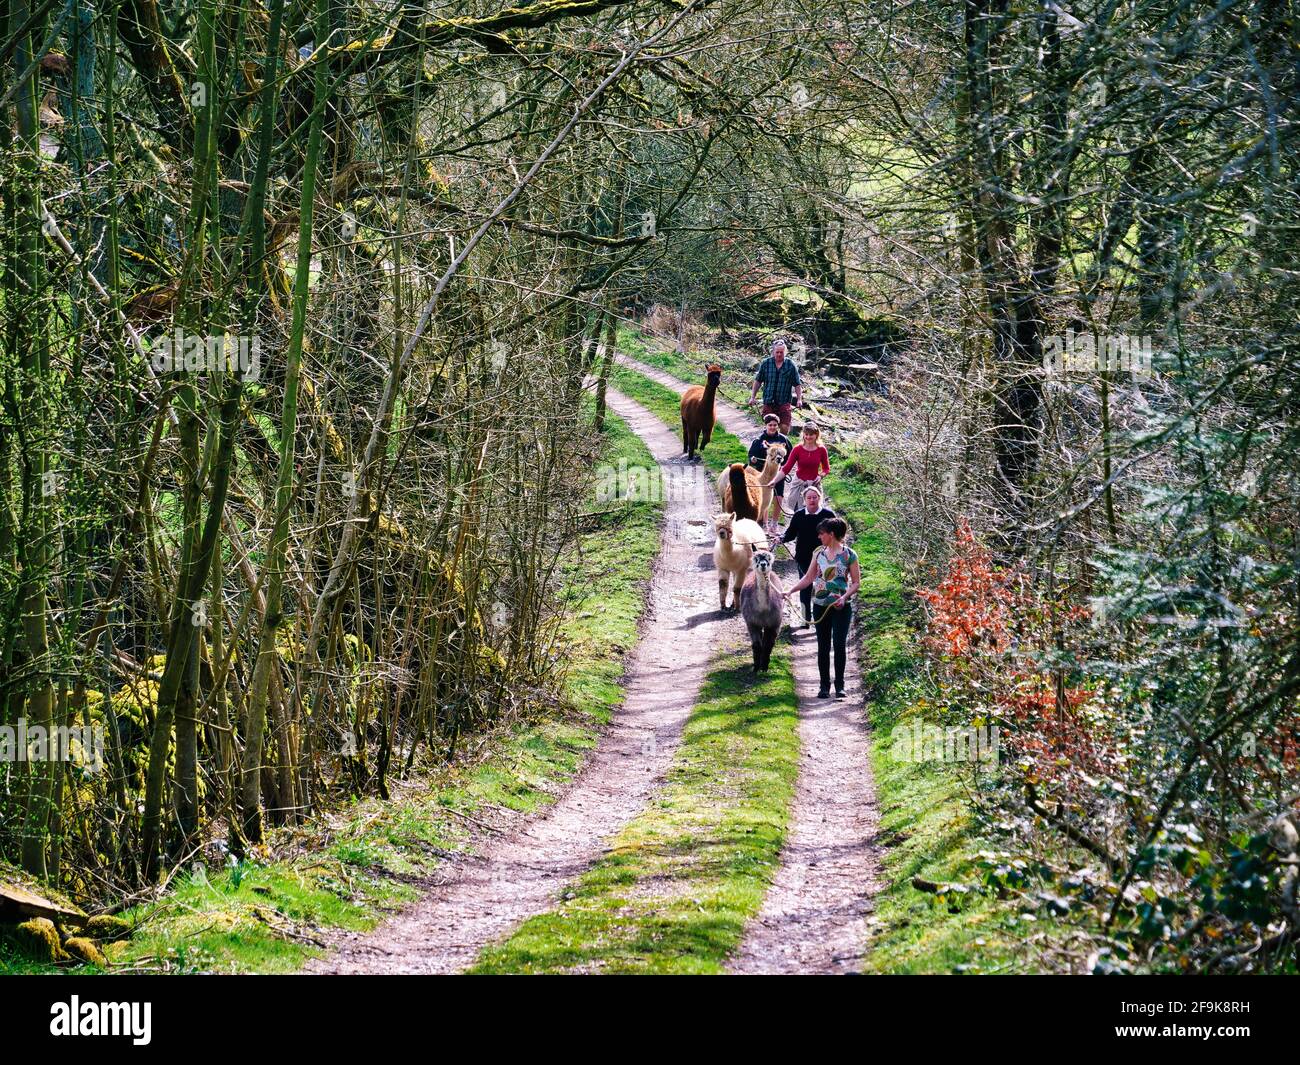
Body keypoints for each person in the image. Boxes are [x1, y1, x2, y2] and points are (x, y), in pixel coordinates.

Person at [784, 516, 859, 698]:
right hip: (819, 605)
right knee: (823, 646)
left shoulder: (849, 555)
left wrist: (844, 597)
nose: (819, 537)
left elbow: (856, 582)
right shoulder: (818, 554)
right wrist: (790, 591)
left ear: (831, 535)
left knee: (839, 645)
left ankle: (840, 686)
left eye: (822, 533)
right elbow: (809, 578)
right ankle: (824, 686)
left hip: (841, 607)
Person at [780, 486, 835, 628]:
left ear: (820, 498)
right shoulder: (798, 515)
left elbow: (837, 535)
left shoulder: (828, 515)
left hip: (826, 558)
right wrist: (780, 538)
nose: (812, 500)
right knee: (805, 588)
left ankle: (824, 619)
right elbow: (790, 533)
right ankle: (805, 620)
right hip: (804, 558)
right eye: (809, 498)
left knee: (823, 588)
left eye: (815, 497)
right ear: (804, 500)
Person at [747, 338, 803, 435]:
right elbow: (758, 381)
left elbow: (797, 384)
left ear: (785, 352)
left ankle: (781, 446)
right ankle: (768, 448)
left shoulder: (790, 365)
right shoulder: (766, 363)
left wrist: (799, 399)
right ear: (773, 352)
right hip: (769, 402)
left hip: (784, 402)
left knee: (784, 428)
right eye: (777, 352)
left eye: (781, 352)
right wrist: (753, 397)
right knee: (770, 429)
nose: (779, 354)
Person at [776, 421, 831, 513]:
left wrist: (820, 476)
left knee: (815, 512)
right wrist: (774, 481)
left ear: (816, 435)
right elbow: (786, 468)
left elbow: (826, 468)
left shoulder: (822, 449)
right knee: (798, 512)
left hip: (814, 485)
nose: (808, 437)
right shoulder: (797, 449)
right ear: (803, 434)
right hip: (799, 484)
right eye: (806, 434)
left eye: (811, 435)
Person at [747, 413, 791, 527]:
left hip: (779, 473)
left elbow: (790, 457)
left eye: (775, 425)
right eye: (770, 425)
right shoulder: (759, 440)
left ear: (778, 426)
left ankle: (774, 524)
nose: (772, 427)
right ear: (766, 425)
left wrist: (785, 467)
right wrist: (753, 460)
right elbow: (751, 455)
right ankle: (764, 522)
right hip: (763, 473)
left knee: (778, 496)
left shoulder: (783, 440)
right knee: (764, 498)